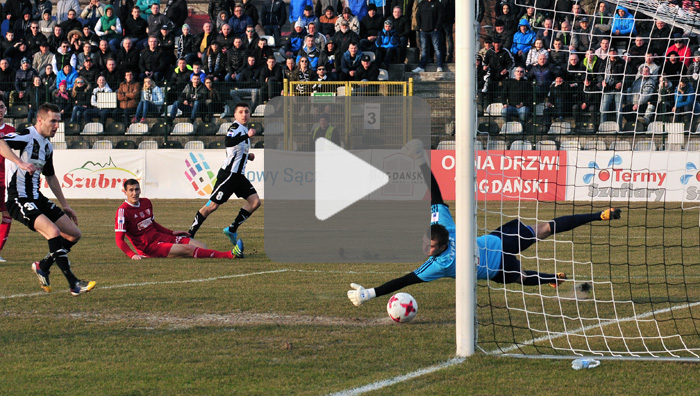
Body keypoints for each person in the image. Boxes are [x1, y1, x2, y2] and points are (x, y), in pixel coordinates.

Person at [347, 140, 623, 306]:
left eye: (430, 246)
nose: (426, 248)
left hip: (498, 241)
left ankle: (598, 215)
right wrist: (419, 160)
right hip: (496, 267)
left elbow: (404, 280)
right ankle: (553, 279)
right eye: (425, 242)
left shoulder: (440, 262)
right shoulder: (442, 224)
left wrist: (370, 293)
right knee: (522, 277)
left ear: (442, 245)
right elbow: (434, 193)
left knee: (544, 229)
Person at [1, 103, 96, 296]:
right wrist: (19, 162)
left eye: (58, 121)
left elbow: (50, 176)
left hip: (37, 197)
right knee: (53, 231)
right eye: (53, 121)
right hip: (18, 198)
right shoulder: (27, 136)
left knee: (73, 234)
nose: (56, 126)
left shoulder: (47, 145)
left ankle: (42, 266)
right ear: (40, 120)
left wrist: (66, 205)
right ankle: (73, 283)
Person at [116, 179, 244, 260]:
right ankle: (230, 254)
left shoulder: (146, 202)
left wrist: (171, 232)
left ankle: (177, 252)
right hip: (149, 247)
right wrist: (132, 255)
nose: (135, 193)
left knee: (201, 246)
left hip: (160, 237)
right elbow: (119, 240)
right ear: (125, 192)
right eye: (131, 190)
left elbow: (152, 224)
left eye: (137, 189)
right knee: (189, 250)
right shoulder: (123, 211)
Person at [187, 102, 260, 244]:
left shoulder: (243, 129)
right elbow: (228, 141)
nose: (244, 114)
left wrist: (247, 156)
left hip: (239, 177)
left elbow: (235, 151)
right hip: (229, 175)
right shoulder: (235, 127)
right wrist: (247, 136)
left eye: (246, 111)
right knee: (212, 206)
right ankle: (189, 234)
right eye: (241, 112)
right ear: (235, 115)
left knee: (255, 202)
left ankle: (232, 229)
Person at [0, 100, 15, 262]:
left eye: (1, 107)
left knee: (7, 213)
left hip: (6, 179)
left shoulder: (11, 131)